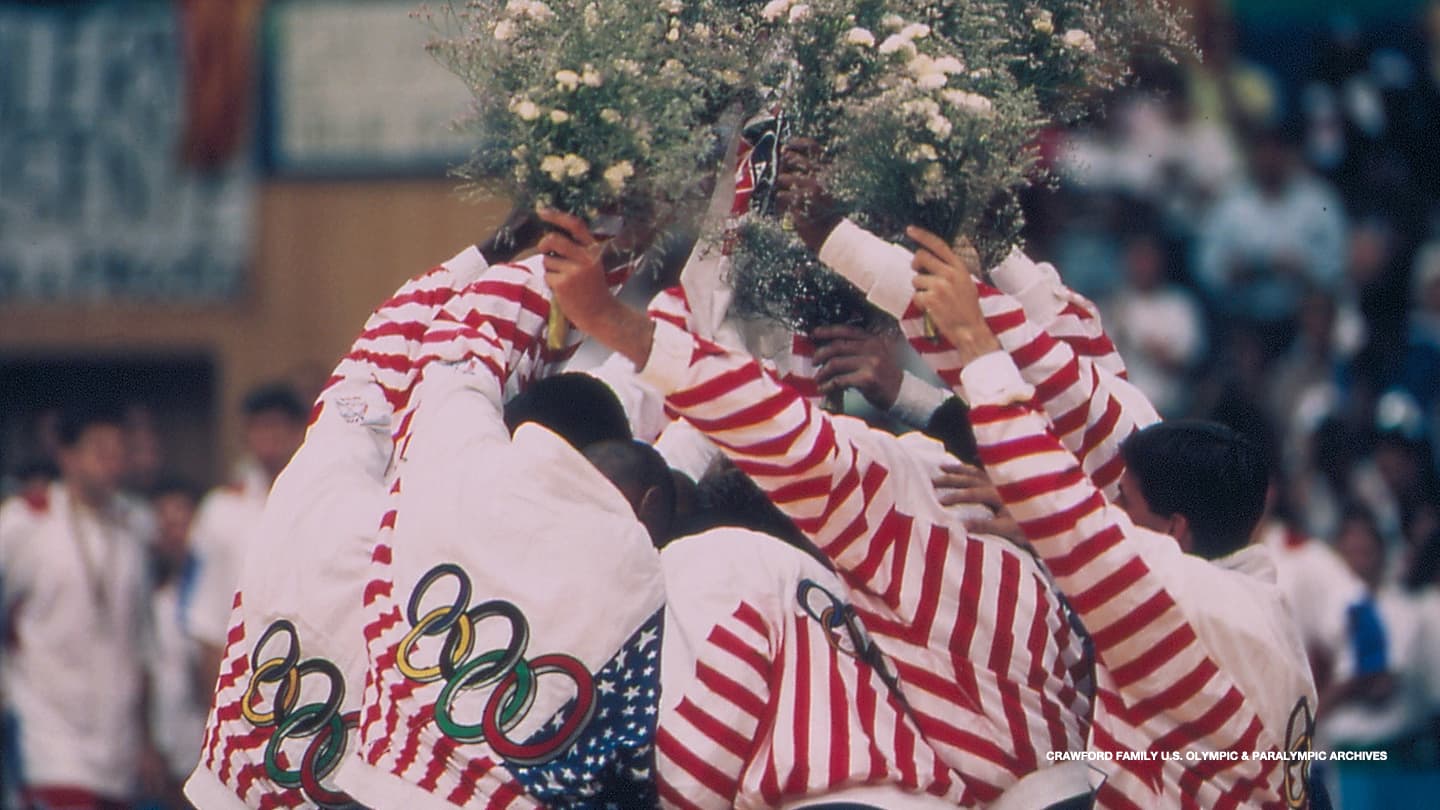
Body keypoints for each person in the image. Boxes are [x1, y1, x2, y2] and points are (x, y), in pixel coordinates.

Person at [543, 214, 1098, 807]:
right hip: (1073, 779)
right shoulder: (1060, 528)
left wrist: (616, 323)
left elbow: (784, 436)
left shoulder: (835, 511)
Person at [904, 226, 1319, 807]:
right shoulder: (1256, 605)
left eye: (1123, 502)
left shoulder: (1188, 599)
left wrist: (973, 338)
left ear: (1175, 530)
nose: (1110, 509)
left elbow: (1073, 515)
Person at [186, 209, 587, 809]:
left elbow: (384, 347)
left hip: (269, 769)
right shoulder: (432, 512)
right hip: (365, 774)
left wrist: (496, 248)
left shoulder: (320, 468)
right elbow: (439, 355)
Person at [0, 401, 167, 809]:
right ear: (67, 455)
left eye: (118, 449)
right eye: (99, 448)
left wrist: (147, 737)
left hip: (118, 745)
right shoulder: (25, 521)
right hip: (46, 734)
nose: (111, 460)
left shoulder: (134, 525)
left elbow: (143, 643)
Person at [184, 382, 307, 687]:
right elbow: (205, 613)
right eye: (260, 427)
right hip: (241, 667)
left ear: (298, 432)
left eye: (277, 426)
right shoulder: (221, 509)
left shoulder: (319, 504)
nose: (270, 438)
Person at [145, 477, 209, 801]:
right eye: (165, 526)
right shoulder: (153, 597)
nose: (175, 535)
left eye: (182, 524)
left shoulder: (217, 596)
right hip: (165, 751)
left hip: (210, 750)